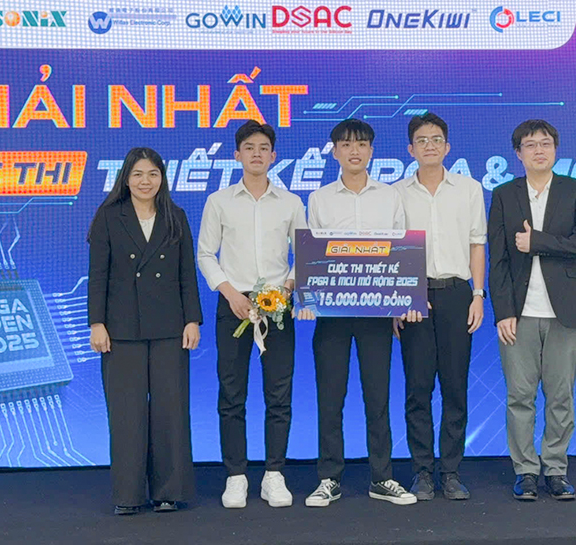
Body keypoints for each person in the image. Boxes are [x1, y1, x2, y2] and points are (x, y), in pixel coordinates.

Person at [303, 118, 418, 508]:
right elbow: (312, 256)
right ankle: (328, 478)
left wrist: (402, 302)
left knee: (377, 395)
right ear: (335, 151)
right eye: (347, 144)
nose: (355, 151)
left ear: (371, 150)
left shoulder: (390, 196)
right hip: (331, 314)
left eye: (362, 144)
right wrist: (309, 298)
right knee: (330, 396)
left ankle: (381, 477)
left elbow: (401, 250)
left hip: (377, 313)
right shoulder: (319, 198)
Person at [197, 120, 307, 509]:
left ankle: (274, 474)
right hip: (234, 304)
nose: (256, 154)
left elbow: (305, 253)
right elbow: (205, 253)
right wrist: (229, 293)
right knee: (232, 393)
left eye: (263, 148)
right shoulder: (219, 201)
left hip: (278, 306)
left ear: (273, 156)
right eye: (249, 147)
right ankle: (236, 476)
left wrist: (287, 289)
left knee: (279, 393)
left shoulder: (291, 202)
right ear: (237, 155)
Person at [88, 147, 203, 515]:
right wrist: (96, 323)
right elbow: (98, 275)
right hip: (121, 329)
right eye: (138, 174)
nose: (145, 181)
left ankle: (168, 491)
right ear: (126, 178)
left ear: (162, 179)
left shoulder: (175, 216)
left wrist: (192, 319)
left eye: (153, 174)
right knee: (127, 413)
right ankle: (128, 494)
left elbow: (186, 273)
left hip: (170, 327)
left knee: (171, 410)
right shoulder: (109, 216)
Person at [487, 120, 576, 502]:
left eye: (545, 143)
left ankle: (555, 468)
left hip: (564, 312)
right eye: (530, 145)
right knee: (519, 396)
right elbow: (498, 259)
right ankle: (525, 471)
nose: (539, 150)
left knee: (560, 395)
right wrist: (503, 311)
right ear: (518, 153)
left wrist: (538, 241)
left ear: (555, 149)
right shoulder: (504, 195)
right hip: (519, 313)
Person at [393, 113, 487, 501]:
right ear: (410, 149)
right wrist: (398, 300)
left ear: (447, 147)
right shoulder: (396, 193)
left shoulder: (469, 189)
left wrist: (478, 294)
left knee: (454, 386)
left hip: (456, 294)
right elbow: (390, 249)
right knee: (417, 388)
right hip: (413, 296)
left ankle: (450, 471)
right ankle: (421, 472)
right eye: (422, 140)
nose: (429, 145)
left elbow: (477, 243)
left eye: (436, 139)